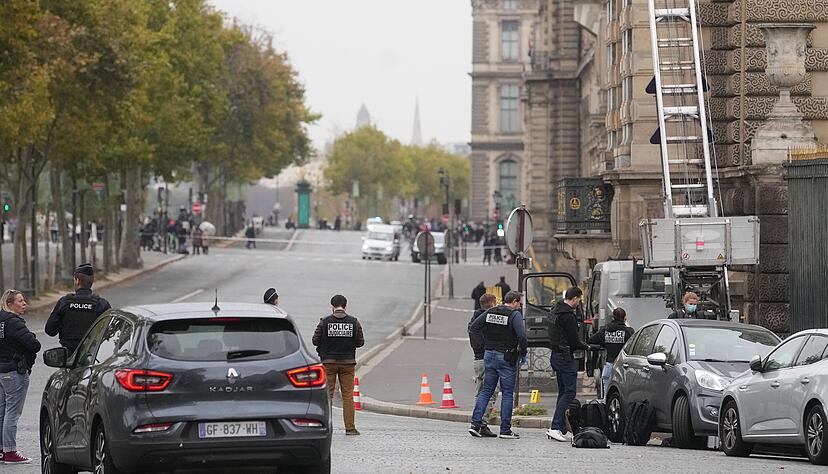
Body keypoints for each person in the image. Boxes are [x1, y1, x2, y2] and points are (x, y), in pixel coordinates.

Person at [468, 291, 528, 439]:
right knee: (507, 393)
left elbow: (474, 328)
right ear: (514, 302)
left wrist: (485, 344)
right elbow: (521, 335)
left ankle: (475, 425)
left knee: (486, 391)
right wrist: (523, 352)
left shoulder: (491, 312)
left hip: (489, 355)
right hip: (506, 356)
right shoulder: (514, 315)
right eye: (519, 303)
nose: (520, 306)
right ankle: (505, 430)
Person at [312, 295, 365, 436]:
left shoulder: (325, 322)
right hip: (347, 363)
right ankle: (350, 428)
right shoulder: (354, 322)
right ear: (345, 306)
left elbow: (315, 341)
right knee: (347, 395)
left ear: (332, 306)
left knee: (327, 395)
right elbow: (360, 342)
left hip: (328, 363)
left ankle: (327, 427)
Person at [0, 289, 41, 464]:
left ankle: (1, 450)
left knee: (1, 412)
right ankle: (10, 452)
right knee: (12, 412)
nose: (24, 303)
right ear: (10, 304)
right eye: (20, 301)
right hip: (14, 371)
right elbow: (34, 345)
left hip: (1, 371)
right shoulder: (14, 322)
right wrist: (32, 336)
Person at [547, 287, 589, 442]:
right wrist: (588, 346)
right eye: (579, 299)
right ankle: (556, 427)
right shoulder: (568, 316)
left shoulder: (555, 311)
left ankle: (562, 428)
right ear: (575, 298)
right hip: (565, 357)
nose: (579, 303)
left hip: (556, 355)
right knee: (570, 392)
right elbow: (573, 341)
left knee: (563, 391)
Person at [45, 263, 112, 354]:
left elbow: (50, 330)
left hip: (69, 357)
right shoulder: (101, 304)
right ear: (91, 282)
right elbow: (109, 333)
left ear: (77, 281)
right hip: (93, 357)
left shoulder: (65, 302)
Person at [468, 293, 499, 432]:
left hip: (477, 359)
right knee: (491, 392)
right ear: (492, 304)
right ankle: (482, 423)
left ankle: (475, 421)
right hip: (487, 358)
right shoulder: (489, 319)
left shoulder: (474, 319)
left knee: (479, 392)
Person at [589, 307, 634, 396]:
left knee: (607, 396)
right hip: (624, 367)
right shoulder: (629, 331)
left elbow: (591, 340)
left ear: (613, 318)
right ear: (625, 318)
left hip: (609, 366)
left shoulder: (604, 330)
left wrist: (604, 344)